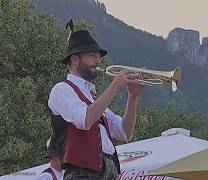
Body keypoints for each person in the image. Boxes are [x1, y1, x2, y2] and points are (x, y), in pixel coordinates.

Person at [48, 20, 144, 180]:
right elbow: (84, 120)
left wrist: (132, 96)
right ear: (75, 60)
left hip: (108, 174)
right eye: (92, 56)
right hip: (81, 174)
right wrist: (115, 86)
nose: (98, 61)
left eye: (99, 57)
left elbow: (125, 132)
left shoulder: (92, 98)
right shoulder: (61, 89)